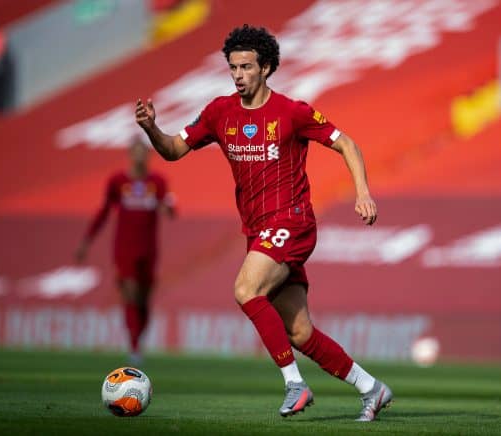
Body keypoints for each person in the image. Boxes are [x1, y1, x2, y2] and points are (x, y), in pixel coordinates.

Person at [135, 24, 392, 421]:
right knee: (300, 332)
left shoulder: (292, 112)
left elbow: (347, 144)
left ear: (267, 68)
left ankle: (294, 384)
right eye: (233, 67)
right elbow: (173, 149)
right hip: (259, 231)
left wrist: (362, 192)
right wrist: (152, 127)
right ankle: (371, 388)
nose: (238, 75)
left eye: (246, 67)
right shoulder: (220, 112)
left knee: (245, 289)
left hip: (293, 220)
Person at [75, 137, 176, 365]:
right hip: (124, 247)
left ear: (148, 156)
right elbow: (104, 212)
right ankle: (134, 347)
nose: (140, 156)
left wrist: (168, 208)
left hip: (149, 248)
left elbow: (170, 208)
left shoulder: (158, 182)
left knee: (143, 299)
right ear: (130, 155)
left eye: (144, 152)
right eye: (136, 152)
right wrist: (86, 242)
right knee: (129, 292)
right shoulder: (118, 181)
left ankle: (137, 339)